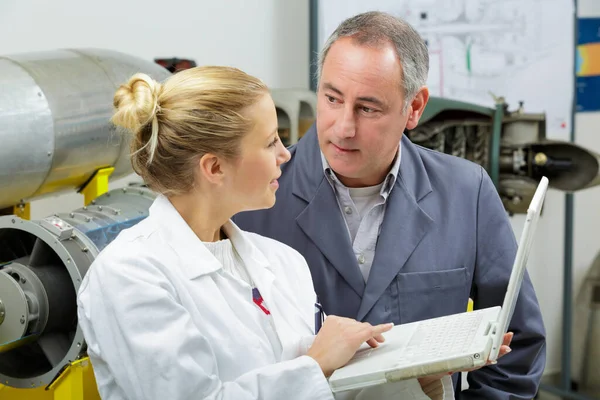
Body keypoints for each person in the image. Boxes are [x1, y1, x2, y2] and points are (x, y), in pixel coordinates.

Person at [76, 66, 458, 399]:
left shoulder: (281, 261)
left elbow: (326, 391)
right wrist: (316, 364)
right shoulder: (130, 276)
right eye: (269, 141)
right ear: (214, 168)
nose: (285, 154)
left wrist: (414, 379)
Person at [233, 11, 547, 399]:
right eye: (332, 98)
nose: (343, 127)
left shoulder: (468, 193)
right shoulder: (253, 198)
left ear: (414, 107)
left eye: (368, 108)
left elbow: (517, 346)